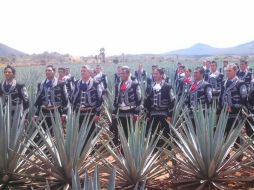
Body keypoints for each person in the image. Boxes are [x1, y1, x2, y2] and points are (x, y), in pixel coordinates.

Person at [144, 68, 175, 147]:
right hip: (153, 113)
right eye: (154, 74)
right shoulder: (150, 87)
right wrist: (147, 114)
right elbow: (146, 101)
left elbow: (172, 100)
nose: (154, 75)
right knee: (153, 132)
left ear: (161, 75)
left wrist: (169, 115)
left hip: (164, 113)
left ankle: (169, 149)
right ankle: (154, 149)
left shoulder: (167, 86)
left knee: (166, 132)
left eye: (156, 74)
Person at [111, 66, 142, 145]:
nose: (121, 75)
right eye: (120, 73)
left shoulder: (135, 84)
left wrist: (136, 113)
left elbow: (139, 99)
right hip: (121, 111)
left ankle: (131, 148)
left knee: (131, 132)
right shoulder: (118, 85)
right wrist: (114, 112)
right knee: (121, 131)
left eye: (123, 73)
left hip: (131, 111)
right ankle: (123, 150)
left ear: (128, 73)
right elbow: (116, 99)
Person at [71, 65, 103, 132]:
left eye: (84, 71)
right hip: (78, 112)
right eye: (81, 71)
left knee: (90, 132)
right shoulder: (76, 83)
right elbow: (73, 97)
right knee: (79, 131)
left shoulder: (95, 83)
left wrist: (97, 114)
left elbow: (99, 99)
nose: (82, 73)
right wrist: (73, 110)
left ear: (89, 72)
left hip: (91, 112)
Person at [219, 63, 247, 134]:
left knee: (236, 136)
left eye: (229, 71)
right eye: (227, 71)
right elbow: (221, 97)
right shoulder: (223, 83)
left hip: (236, 114)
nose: (227, 72)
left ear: (235, 71)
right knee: (225, 134)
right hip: (224, 114)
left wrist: (233, 108)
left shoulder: (240, 83)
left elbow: (244, 98)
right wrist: (220, 108)